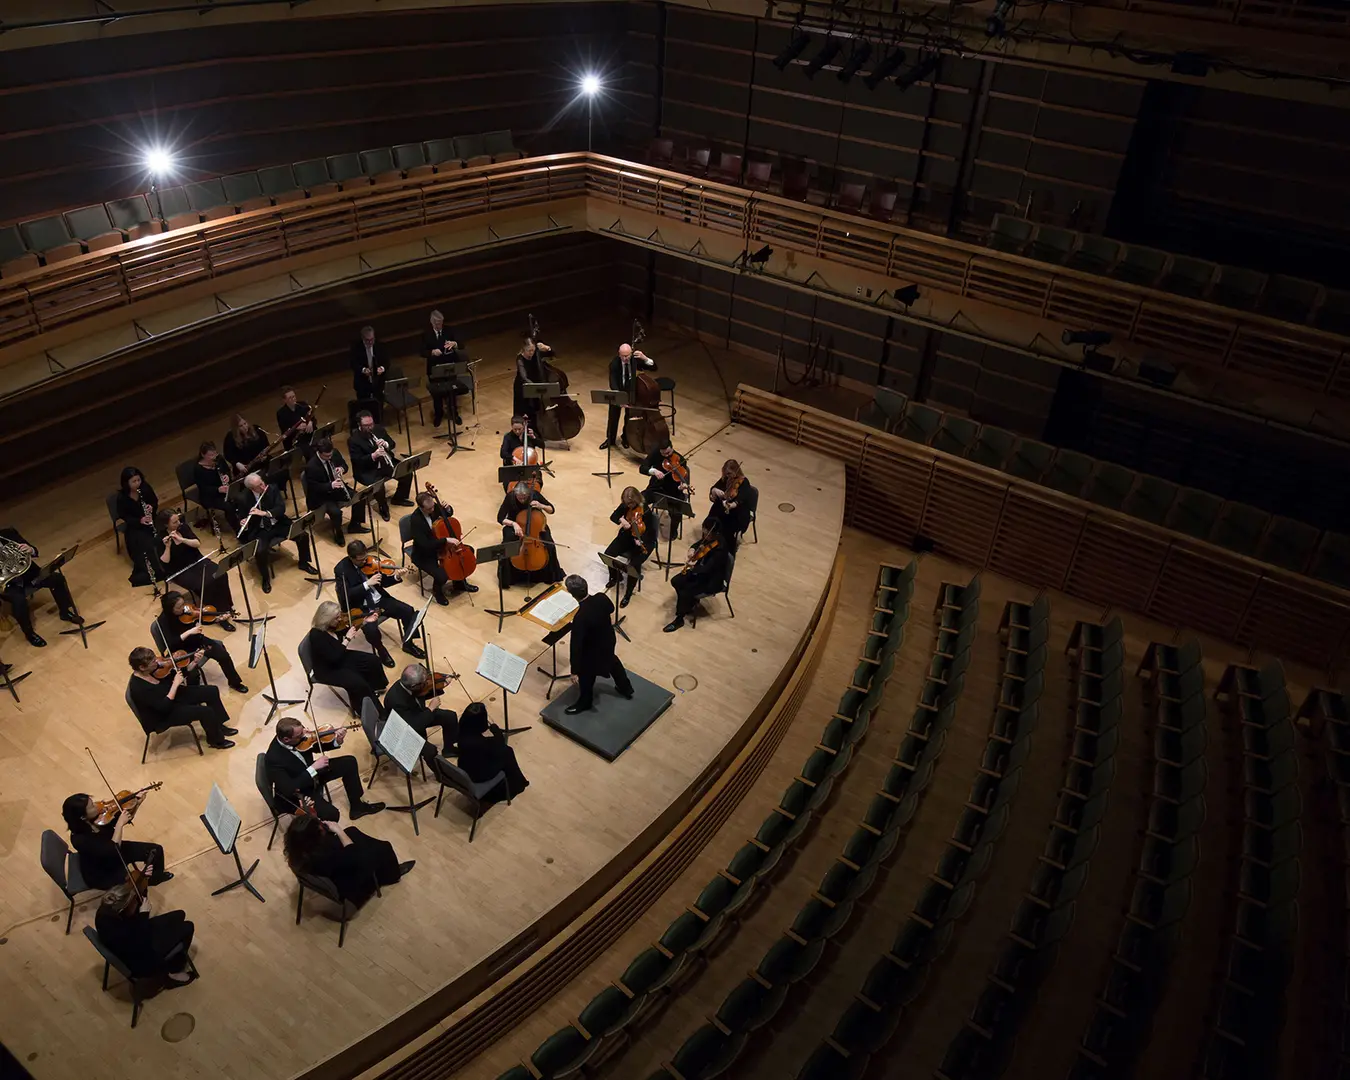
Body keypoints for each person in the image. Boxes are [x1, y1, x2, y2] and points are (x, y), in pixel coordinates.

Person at [266, 715, 384, 822]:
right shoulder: (274, 758)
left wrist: (337, 741)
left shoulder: (297, 739)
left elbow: (315, 745)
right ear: (286, 739)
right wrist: (313, 768)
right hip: (300, 790)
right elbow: (289, 788)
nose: (304, 735)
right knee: (332, 815)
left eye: (303, 730)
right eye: (300, 735)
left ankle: (357, 807)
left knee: (349, 762)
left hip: (311, 773)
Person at [283, 813, 410, 906]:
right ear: (313, 837)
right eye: (320, 827)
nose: (322, 826)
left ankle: (379, 861)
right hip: (347, 883)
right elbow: (353, 855)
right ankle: (393, 875)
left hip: (330, 870)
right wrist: (338, 829)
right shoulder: (325, 856)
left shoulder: (297, 849)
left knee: (352, 831)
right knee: (384, 847)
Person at [335, 539, 427, 665]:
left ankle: (408, 644)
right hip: (361, 608)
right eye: (360, 560)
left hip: (380, 600)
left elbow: (383, 582)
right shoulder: (341, 570)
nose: (364, 562)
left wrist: (396, 577)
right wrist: (367, 584)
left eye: (365, 557)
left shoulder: (371, 561)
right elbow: (346, 595)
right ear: (351, 558)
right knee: (372, 630)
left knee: (408, 611)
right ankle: (382, 651)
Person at [94, 876, 196, 987]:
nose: (136, 902)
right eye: (133, 902)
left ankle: (174, 957)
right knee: (188, 927)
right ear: (123, 909)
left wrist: (143, 885)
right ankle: (172, 972)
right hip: (142, 958)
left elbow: (133, 920)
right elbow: (142, 944)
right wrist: (143, 914)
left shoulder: (106, 912)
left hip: (136, 935)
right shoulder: (119, 933)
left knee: (180, 914)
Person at [127, 646, 236, 748]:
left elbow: (182, 674)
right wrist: (175, 685)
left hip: (173, 696)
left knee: (211, 691)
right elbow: (163, 707)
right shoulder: (139, 688)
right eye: (153, 662)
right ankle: (216, 741)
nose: (157, 662)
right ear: (142, 667)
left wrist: (194, 662)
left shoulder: (153, 671)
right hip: (163, 715)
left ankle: (219, 725)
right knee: (206, 711)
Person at [62, 792, 170, 891]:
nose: (97, 805)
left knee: (156, 850)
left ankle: (155, 878)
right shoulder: (80, 840)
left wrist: (136, 804)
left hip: (113, 850)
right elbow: (113, 850)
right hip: (103, 871)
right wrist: (119, 825)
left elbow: (122, 817)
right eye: (92, 806)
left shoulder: (96, 818)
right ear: (82, 817)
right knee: (135, 887)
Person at [303, 601, 389, 717]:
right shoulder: (317, 635)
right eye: (336, 617)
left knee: (373, 660)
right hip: (327, 669)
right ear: (326, 619)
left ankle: (376, 686)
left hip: (340, 656)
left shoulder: (333, 626)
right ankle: (371, 713)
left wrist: (364, 621)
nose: (340, 619)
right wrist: (347, 640)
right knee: (358, 683)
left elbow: (348, 629)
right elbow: (334, 658)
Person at [563, 575, 635, 715]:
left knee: (586, 676)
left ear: (572, 594)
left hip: (592, 650)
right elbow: (611, 608)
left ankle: (585, 702)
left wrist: (575, 670)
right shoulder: (601, 598)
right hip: (608, 641)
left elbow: (576, 646)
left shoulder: (580, 617)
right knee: (612, 661)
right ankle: (626, 688)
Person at [0, 526, 81, 648]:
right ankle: (29, 633)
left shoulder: (8, 534)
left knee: (57, 578)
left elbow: (35, 551)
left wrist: (30, 550)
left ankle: (65, 612)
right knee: (19, 601)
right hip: (9, 584)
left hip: (29, 574)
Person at [238, 473, 317, 593]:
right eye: (259, 486)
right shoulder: (243, 498)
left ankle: (303, 563)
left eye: (262, 482)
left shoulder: (272, 488)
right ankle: (265, 578)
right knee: (260, 551)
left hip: (279, 523)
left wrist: (265, 513)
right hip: (261, 530)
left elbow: (281, 509)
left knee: (303, 535)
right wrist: (244, 522)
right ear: (251, 488)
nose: (263, 486)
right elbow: (242, 516)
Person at [155, 593, 247, 692]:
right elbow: (171, 643)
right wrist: (189, 632)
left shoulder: (186, 610)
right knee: (193, 675)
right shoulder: (163, 621)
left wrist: (216, 619)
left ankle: (234, 682)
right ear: (170, 609)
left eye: (183, 604)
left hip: (197, 641)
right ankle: (195, 698)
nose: (183, 608)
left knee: (223, 655)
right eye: (179, 607)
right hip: (181, 651)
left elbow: (200, 619)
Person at [155, 508, 234, 611]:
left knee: (221, 574)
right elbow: (165, 562)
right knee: (205, 584)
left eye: (178, 520)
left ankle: (226, 605)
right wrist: (168, 547)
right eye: (175, 522)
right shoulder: (159, 538)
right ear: (166, 525)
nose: (178, 523)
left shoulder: (183, 528)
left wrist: (182, 540)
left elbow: (197, 543)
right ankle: (215, 611)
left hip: (197, 561)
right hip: (181, 571)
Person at [663, 517, 732, 633]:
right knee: (676, 581)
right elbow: (700, 543)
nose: (705, 536)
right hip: (700, 572)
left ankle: (679, 619)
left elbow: (708, 568)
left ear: (715, 534)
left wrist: (692, 567)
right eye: (704, 532)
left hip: (711, 579)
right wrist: (692, 549)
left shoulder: (720, 549)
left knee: (685, 591)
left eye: (707, 534)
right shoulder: (710, 538)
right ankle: (688, 603)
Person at [408, 489, 478, 604]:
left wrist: (447, 508)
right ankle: (437, 592)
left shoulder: (433, 506)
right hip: (425, 554)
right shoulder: (416, 520)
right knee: (442, 575)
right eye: (429, 509)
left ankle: (459, 583)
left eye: (433, 507)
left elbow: (448, 515)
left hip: (442, 547)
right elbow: (425, 544)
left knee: (468, 551)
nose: (432, 509)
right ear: (421, 507)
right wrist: (445, 540)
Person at [383, 664, 459, 761]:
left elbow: (421, 693)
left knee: (450, 716)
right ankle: (440, 773)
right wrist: (431, 709)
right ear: (414, 686)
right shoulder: (396, 701)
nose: (427, 683)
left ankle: (449, 749)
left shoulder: (408, 684)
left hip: (417, 713)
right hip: (406, 727)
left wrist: (440, 686)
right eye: (424, 682)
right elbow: (413, 725)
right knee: (431, 752)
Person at [457, 702, 527, 805]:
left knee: (504, 752)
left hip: (465, 767)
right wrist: (497, 732)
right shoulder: (483, 743)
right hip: (479, 775)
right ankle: (517, 784)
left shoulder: (461, 733)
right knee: (507, 751)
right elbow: (499, 746)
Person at [348, 410, 414, 521]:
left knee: (407, 472)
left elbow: (392, 443)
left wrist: (386, 444)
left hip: (385, 463)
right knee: (379, 486)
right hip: (367, 470)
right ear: (359, 425)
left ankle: (399, 498)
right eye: (366, 425)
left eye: (371, 424)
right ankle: (383, 507)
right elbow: (357, 461)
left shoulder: (378, 429)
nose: (370, 428)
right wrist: (373, 455)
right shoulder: (353, 440)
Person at [497, 481, 564, 588]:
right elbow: (500, 518)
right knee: (506, 546)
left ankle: (549, 575)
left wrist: (541, 505)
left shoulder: (535, 494)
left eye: (525, 497)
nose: (523, 499)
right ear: (515, 494)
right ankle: (507, 578)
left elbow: (552, 509)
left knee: (550, 546)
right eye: (520, 497)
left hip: (536, 524)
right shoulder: (510, 497)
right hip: (516, 525)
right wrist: (514, 524)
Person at [302, 437, 366, 545]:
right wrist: (330, 485)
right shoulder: (311, 466)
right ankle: (338, 533)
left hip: (336, 488)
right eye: (327, 456)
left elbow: (345, 465)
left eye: (330, 455)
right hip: (322, 496)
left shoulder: (334, 453)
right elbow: (314, 488)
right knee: (336, 512)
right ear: (319, 453)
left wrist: (341, 469)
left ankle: (355, 525)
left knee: (360, 497)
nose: (330, 457)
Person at [604, 487, 657, 607]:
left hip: (643, 542)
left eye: (631, 503)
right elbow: (613, 516)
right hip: (627, 537)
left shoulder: (646, 512)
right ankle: (616, 577)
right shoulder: (625, 506)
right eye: (627, 503)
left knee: (634, 565)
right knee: (608, 554)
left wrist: (641, 540)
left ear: (637, 499)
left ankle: (628, 593)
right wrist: (622, 520)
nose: (629, 505)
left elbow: (652, 534)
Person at [601, 342, 657, 451]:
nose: (626, 358)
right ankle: (610, 439)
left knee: (629, 417)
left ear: (631, 353)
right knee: (613, 417)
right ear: (619, 354)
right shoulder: (614, 364)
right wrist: (619, 397)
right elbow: (613, 383)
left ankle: (625, 438)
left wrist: (644, 358)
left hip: (632, 392)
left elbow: (654, 367)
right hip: (618, 392)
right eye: (623, 356)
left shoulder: (635, 360)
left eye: (628, 355)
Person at [420, 309, 467, 428]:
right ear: (432, 322)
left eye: (441, 323)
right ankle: (438, 414)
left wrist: (455, 344)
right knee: (437, 394)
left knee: (452, 390)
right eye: (437, 324)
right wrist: (432, 352)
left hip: (450, 366)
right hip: (434, 368)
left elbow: (461, 344)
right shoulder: (426, 334)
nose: (439, 326)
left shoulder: (449, 330)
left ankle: (453, 413)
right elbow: (422, 351)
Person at [116, 466, 160, 587]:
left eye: (138, 480)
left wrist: (152, 507)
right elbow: (124, 516)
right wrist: (139, 520)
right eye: (133, 482)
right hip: (135, 526)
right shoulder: (122, 498)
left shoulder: (145, 489)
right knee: (145, 543)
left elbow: (155, 501)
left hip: (151, 520)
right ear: (126, 483)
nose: (137, 484)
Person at [642, 437, 693, 539]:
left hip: (673, 491)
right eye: (664, 453)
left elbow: (681, 478)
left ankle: (673, 530)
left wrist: (682, 486)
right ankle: (647, 524)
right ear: (660, 450)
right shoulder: (655, 454)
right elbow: (642, 468)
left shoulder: (680, 459)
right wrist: (654, 471)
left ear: (672, 448)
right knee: (640, 500)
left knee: (677, 511)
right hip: (656, 487)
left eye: (669, 453)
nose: (667, 456)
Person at [193, 441, 239, 533]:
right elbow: (203, 488)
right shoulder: (198, 469)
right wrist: (218, 489)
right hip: (210, 496)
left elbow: (227, 471)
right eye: (210, 455)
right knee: (228, 506)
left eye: (215, 453)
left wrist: (227, 476)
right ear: (203, 455)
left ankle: (246, 523)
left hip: (224, 489)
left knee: (241, 498)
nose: (214, 457)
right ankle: (238, 530)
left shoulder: (219, 459)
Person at [512, 337, 555, 430]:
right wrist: (535, 387)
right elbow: (524, 377)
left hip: (535, 384)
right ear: (524, 349)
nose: (531, 353)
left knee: (535, 408)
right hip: (523, 386)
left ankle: (536, 429)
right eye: (529, 351)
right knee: (524, 408)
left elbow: (552, 354)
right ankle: (522, 429)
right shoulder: (520, 359)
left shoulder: (536, 354)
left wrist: (548, 348)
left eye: (533, 350)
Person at [349, 325, 388, 420]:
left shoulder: (379, 345)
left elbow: (386, 361)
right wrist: (363, 370)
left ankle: (378, 422)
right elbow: (353, 364)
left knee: (379, 403)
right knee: (364, 405)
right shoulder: (356, 348)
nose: (370, 342)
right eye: (367, 340)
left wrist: (382, 368)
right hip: (362, 383)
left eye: (372, 339)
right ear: (363, 338)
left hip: (378, 382)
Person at [708, 458, 752, 539]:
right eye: (726, 473)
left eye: (729, 473)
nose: (728, 476)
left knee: (726, 528)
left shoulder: (744, 482)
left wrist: (732, 504)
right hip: (727, 510)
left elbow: (741, 499)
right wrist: (714, 492)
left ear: (736, 471)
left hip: (739, 512)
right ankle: (710, 531)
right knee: (715, 510)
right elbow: (714, 487)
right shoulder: (727, 478)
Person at [276, 386, 317, 454]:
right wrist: (296, 427)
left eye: (294, 396)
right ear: (284, 400)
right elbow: (284, 431)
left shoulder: (303, 405)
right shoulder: (281, 413)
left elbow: (313, 418)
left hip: (308, 434)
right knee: (310, 450)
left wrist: (310, 422)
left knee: (324, 443)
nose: (293, 399)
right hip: (295, 440)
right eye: (290, 398)